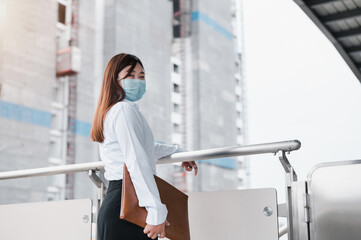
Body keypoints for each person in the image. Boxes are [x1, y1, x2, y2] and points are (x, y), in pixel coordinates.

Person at [90, 53, 198, 240]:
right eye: (130, 75)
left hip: (120, 202)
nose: (138, 80)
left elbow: (144, 147)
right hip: (128, 204)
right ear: (114, 80)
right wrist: (156, 212)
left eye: (142, 76)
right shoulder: (124, 110)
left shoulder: (115, 110)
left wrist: (179, 152)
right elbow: (136, 161)